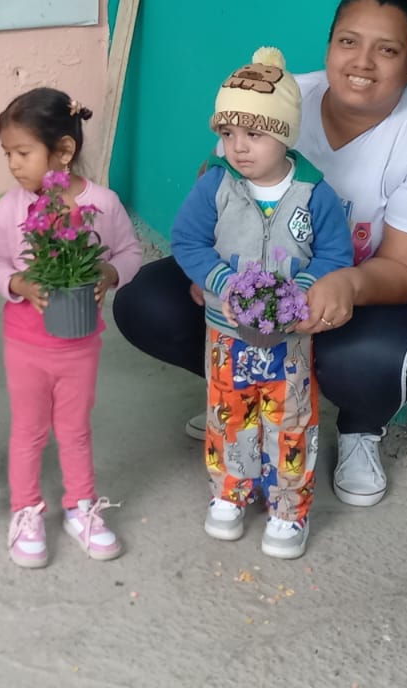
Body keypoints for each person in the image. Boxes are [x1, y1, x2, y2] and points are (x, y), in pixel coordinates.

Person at [112, 0, 407, 507]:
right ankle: (241, 398)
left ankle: (361, 429)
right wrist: (208, 276)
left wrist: (345, 284)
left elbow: (405, 269)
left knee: (365, 361)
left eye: (387, 50)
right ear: (329, 45)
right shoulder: (278, 99)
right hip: (255, 275)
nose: (362, 62)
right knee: (146, 302)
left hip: (373, 288)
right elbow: (215, 191)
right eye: (348, 41)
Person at [172, 48, 352, 559]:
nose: (238, 147)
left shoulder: (314, 193)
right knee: (228, 413)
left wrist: (301, 291)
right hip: (226, 334)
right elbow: (188, 241)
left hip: (290, 340)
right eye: (228, 133)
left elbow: (336, 254)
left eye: (254, 134)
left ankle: (289, 509)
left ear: (285, 134)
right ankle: (230, 491)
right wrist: (225, 283)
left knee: (290, 421)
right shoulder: (216, 185)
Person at [0, 89, 143, 569]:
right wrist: (16, 282)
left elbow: (129, 252)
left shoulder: (102, 203)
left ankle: (80, 507)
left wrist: (110, 273)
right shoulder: (11, 208)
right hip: (25, 343)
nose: (13, 164)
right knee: (29, 430)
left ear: (64, 151)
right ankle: (26, 509)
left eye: (23, 152)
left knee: (74, 430)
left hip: (79, 344)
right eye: (7, 154)